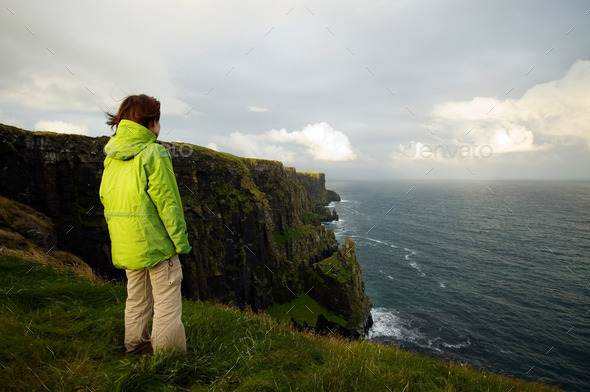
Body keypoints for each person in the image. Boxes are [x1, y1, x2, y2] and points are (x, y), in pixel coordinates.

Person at [99, 94, 191, 355]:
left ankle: (136, 348)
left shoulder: (111, 156)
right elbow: (168, 205)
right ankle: (168, 359)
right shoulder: (154, 153)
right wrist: (180, 243)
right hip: (157, 244)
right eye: (158, 120)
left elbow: (106, 197)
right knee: (167, 302)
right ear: (151, 123)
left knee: (137, 298)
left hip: (127, 243)